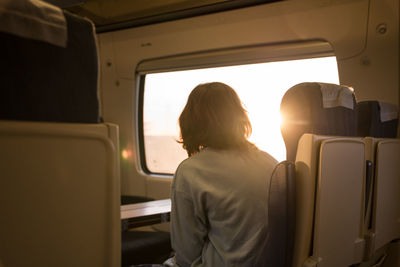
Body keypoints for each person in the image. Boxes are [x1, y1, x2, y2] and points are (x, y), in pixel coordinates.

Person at [170, 82, 278, 267]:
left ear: (190, 121)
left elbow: (186, 254)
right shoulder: (270, 162)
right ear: (239, 118)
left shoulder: (190, 171)